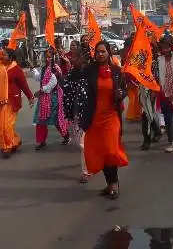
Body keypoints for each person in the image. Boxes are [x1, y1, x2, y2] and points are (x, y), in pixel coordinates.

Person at [79, 41, 128, 199]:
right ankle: (109, 184)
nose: (100, 54)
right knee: (101, 153)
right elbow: (76, 78)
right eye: (98, 52)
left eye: (103, 51)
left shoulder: (116, 71)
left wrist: (122, 94)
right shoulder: (89, 70)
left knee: (110, 150)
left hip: (111, 116)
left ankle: (114, 183)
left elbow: (124, 89)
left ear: (109, 53)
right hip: (94, 118)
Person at [0, 49, 35, 158]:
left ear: (11, 57)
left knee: (6, 125)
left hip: (12, 101)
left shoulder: (16, 69)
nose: (2, 56)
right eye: (2, 55)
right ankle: (14, 141)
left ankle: (6, 147)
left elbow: (23, 85)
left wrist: (30, 97)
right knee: (1, 126)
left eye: (5, 55)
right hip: (0, 101)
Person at [61, 47, 91, 182]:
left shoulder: (89, 73)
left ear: (82, 58)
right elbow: (66, 89)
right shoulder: (72, 72)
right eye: (71, 56)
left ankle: (86, 172)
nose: (71, 59)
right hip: (73, 114)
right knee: (77, 142)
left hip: (86, 113)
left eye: (74, 57)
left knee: (82, 144)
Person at [33, 47, 69, 149]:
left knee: (57, 120)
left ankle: (66, 135)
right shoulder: (45, 68)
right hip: (43, 98)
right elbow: (39, 77)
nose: (48, 59)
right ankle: (41, 141)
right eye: (46, 57)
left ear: (54, 57)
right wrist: (34, 70)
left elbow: (52, 84)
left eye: (50, 57)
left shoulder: (55, 68)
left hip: (53, 98)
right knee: (40, 120)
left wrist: (40, 91)